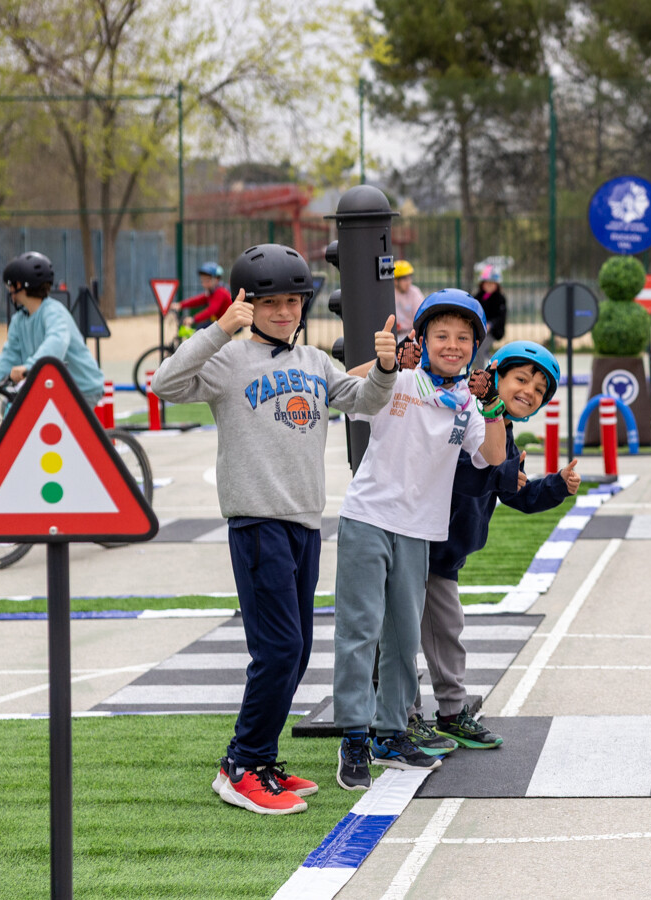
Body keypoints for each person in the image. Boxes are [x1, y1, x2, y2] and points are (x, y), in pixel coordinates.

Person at [151, 243, 399, 815]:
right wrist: (219, 329)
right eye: (270, 303)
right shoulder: (227, 361)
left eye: (292, 301)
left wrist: (385, 368)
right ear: (247, 304)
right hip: (256, 521)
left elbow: (365, 402)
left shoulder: (314, 363)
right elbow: (164, 384)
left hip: (304, 524)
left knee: (298, 648)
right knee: (279, 648)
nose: (284, 311)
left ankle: (259, 759)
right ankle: (240, 764)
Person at [332, 290, 507, 791]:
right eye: (441, 336)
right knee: (360, 631)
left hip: (418, 530)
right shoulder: (400, 380)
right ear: (422, 340)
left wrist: (492, 404)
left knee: (404, 638)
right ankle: (354, 738)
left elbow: (494, 456)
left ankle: (391, 734)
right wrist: (386, 362)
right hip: (368, 518)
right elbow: (343, 389)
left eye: (462, 338)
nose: (451, 346)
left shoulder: (468, 404)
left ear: (475, 347)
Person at [411, 341, 579, 752]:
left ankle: (451, 713)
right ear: (494, 377)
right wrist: (502, 474)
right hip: (413, 546)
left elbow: (517, 494)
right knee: (397, 638)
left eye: (539, 389)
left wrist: (556, 484)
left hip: (446, 556)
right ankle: (403, 718)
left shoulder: (505, 435)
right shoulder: (461, 414)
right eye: (521, 379)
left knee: (447, 633)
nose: (529, 391)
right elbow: (465, 474)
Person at [0, 252, 104, 408]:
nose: (9, 291)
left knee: (30, 415)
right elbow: (10, 355)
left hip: (81, 389)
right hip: (54, 387)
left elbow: (56, 342)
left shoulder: (53, 312)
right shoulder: (19, 320)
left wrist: (28, 366)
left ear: (19, 286)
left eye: (10, 286)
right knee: (10, 407)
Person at [179, 262, 233, 328]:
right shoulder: (212, 291)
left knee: (202, 328)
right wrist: (181, 305)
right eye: (202, 280)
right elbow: (198, 300)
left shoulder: (220, 291)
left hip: (230, 322)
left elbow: (212, 310)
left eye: (207, 280)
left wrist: (193, 319)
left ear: (216, 279)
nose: (204, 283)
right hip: (222, 321)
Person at [475, 264, 508, 362]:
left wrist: (490, 324)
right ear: (482, 284)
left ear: (497, 285)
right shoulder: (478, 297)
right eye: (487, 283)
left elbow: (500, 317)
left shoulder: (499, 298)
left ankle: (479, 373)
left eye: (492, 283)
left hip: (493, 332)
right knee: (474, 349)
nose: (489, 285)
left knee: (479, 350)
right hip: (479, 330)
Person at [392, 260, 422, 336]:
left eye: (409, 278)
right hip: (395, 334)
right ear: (396, 280)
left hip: (412, 334)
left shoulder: (415, 292)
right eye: (404, 279)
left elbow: (420, 316)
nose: (408, 282)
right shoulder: (391, 294)